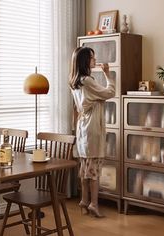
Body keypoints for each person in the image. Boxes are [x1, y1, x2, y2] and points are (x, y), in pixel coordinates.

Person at [69, 47, 115, 217]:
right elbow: (110, 92)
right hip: (92, 126)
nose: (95, 60)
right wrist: (108, 74)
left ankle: (83, 200)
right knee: (93, 168)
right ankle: (94, 204)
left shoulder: (75, 81)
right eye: (92, 58)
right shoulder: (87, 81)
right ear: (84, 61)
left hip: (83, 127)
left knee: (85, 167)